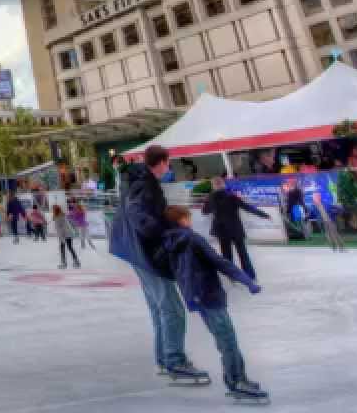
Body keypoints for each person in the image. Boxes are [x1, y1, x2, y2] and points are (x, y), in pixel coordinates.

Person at [109, 145, 205, 383]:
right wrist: (163, 232)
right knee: (172, 309)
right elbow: (136, 214)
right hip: (145, 253)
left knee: (159, 307)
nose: (169, 167)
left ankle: (164, 359)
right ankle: (175, 361)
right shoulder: (145, 184)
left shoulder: (138, 180)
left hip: (136, 252)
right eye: (168, 162)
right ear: (161, 162)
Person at [160, 206, 267, 402]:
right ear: (182, 220)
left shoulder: (169, 241)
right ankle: (237, 381)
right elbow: (220, 262)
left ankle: (237, 379)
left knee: (224, 338)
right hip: (208, 293)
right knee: (228, 340)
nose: (190, 221)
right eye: (188, 217)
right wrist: (247, 281)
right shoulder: (192, 239)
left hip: (195, 295)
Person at [201, 177, 269, 281]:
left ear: (213, 186)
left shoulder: (211, 197)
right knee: (242, 253)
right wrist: (263, 214)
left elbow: (205, 211)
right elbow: (247, 207)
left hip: (221, 230)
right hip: (235, 228)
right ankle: (250, 275)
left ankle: (232, 275)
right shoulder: (231, 195)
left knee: (226, 254)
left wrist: (206, 202)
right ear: (223, 184)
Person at [52, 205, 80, 269]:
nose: (52, 211)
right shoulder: (63, 216)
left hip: (65, 234)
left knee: (62, 248)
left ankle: (64, 263)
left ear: (55, 211)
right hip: (69, 233)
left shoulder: (58, 218)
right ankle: (76, 261)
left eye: (53, 210)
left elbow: (59, 229)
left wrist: (61, 238)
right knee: (70, 247)